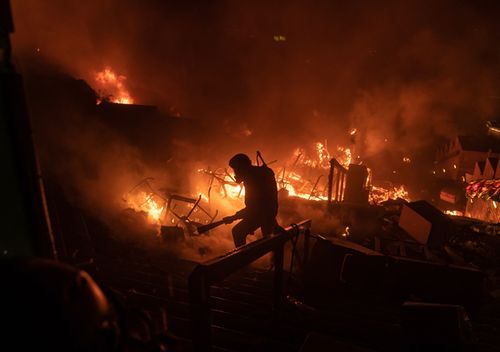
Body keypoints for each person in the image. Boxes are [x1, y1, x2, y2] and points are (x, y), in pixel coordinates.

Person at [223, 153, 281, 247]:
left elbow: (255, 208)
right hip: (268, 212)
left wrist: (234, 217)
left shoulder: (253, 179)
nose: (235, 173)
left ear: (242, 168)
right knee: (270, 239)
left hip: (263, 214)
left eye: (236, 170)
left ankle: (243, 258)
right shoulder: (256, 174)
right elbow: (254, 207)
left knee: (238, 232)